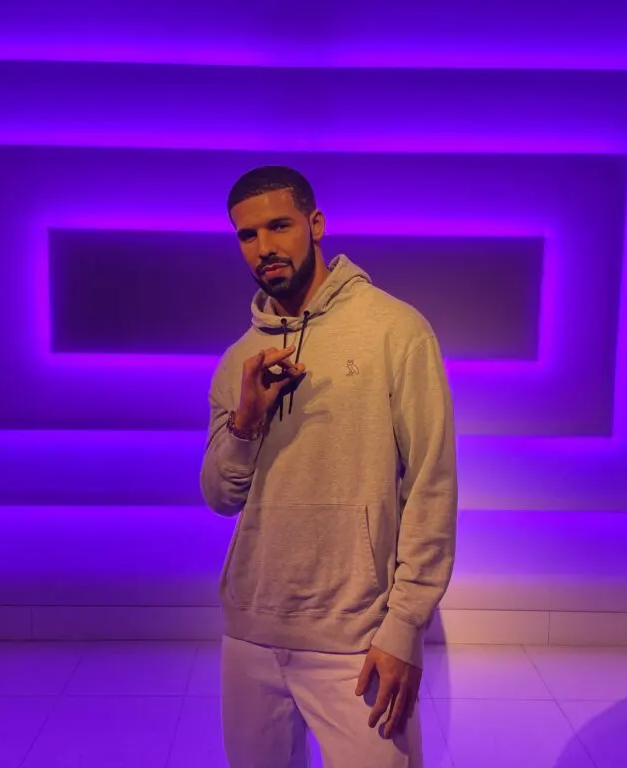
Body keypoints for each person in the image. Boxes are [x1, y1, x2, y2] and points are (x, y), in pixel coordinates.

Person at [199, 165, 458, 767]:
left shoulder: (396, 331)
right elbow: (219, 495)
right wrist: (246, 421)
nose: (264, 247)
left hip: (357, 638)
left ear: (315, 225)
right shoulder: (241, 355)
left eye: (279, 226)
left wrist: (404, 628)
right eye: (247, 235)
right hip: (251, 632)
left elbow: (432, 485)